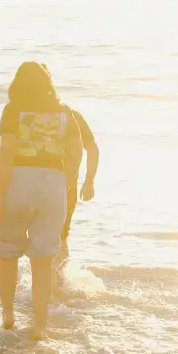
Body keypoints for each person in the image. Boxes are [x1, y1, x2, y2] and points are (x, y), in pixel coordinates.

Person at [0, 62, 80, 339]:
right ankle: (40, 326)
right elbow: (76, 154)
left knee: (7, 252)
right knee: (43, 259)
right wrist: (65, 185)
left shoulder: (13, 111)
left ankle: (8, 315)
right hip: (53, 180)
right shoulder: (65, 113)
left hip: (20, 178)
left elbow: (6, 152)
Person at [59, 107, 99, 265]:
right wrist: (89, 181)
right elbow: (92, 149)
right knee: (60, 237)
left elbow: (92, 149)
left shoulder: (72, 116)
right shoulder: (71, 115)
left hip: (64, 188)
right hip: (67, 188)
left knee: (54, 237)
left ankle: (52, 281)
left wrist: (89, 181)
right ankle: (55, 282)